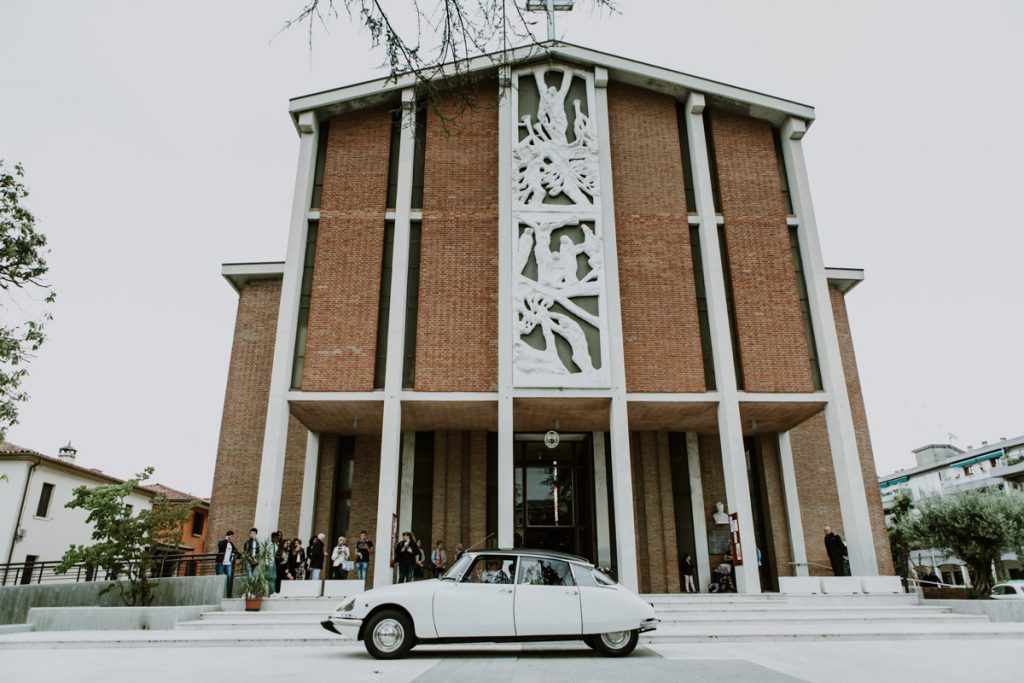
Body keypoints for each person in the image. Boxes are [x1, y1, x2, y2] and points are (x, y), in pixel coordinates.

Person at [215, 530, 237, 596]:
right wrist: (225, 540)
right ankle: (218, 593)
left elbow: (236, 551)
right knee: (219, 577)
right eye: (230, 536)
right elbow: (220, 546)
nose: (231, 538)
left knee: (229, 578)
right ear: (227, 536)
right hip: (221, 563)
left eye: (232, 537)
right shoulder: (222, 542)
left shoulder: (231, 544)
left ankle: (228, 593)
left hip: (228, 564)